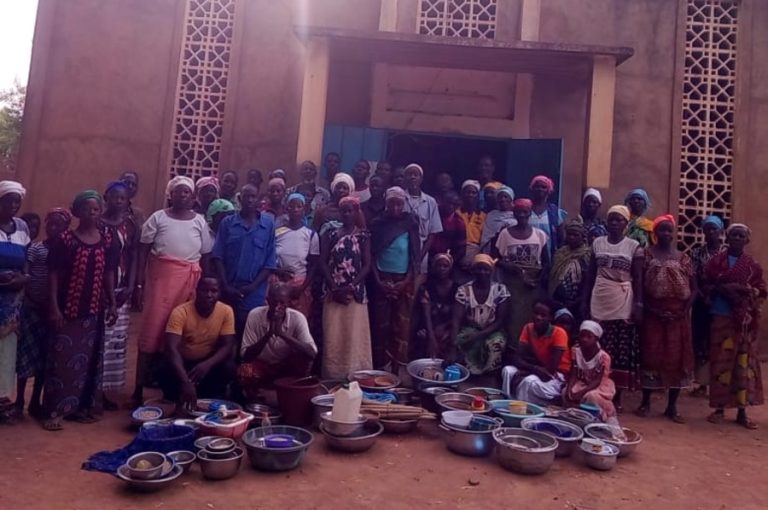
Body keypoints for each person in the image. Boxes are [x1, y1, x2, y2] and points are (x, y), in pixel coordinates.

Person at [132, 176, 213, 406]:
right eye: (179, 192)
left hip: (189, 284)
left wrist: (204, 285)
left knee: (180, 334)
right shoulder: (158, 218)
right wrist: (139, 284)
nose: (183, 196)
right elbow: (143, 252)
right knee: (151, 334)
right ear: (171, 195)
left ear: (192, 197)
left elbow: (205, 256)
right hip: (161, 284)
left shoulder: (199, 221)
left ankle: (173, 387)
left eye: (187, 192)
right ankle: (138, 390)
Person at [40, 190, 118, 431]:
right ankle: (54, 412)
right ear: (76, 211)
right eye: (86, 209)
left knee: (89, 362)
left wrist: (112, 301)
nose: (91, 213)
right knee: (62, 362)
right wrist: (54, 307)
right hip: (67, 310)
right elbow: (53, 275)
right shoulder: (66, 240)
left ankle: (83, 409)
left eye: (95, 209)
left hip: (93, 311)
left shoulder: (107, 239)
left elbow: (108, 272)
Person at [703, 223, 765, 429]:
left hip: (744, 321)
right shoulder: (716, 262)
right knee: (721, 363)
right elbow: (706, 285)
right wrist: (723, 290)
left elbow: (762, 290)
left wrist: (743, 291)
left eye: (741, 236)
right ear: (727, 238)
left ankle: (742, 411)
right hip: (721, 317)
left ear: (746, 240)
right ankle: (719, 408)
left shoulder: (753, 265)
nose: (737, 238)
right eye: (733, 235)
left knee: (743, 365)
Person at [636, 215, 695, 423]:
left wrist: (684, 311)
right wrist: (648, 309)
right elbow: (640, 286)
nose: (666, 234)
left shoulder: (683, 257)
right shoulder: (646, 254)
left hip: (678, 315)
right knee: (651, 355)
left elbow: (694, 289)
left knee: (677, 358)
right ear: (655, 232)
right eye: (662, 230)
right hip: (654, 313)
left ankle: (672, 406)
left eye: (670, 230)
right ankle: (646, 402)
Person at [584, 205, 643, 411]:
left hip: (622, 299)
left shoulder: (634, 247)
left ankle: (616, 397)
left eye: (619, 220)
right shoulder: (597, 243)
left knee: (619, 349)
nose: (615, 223)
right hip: (600, 297)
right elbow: (590, 275)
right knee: (599, 346)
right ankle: (595, 390)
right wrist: (585, 301)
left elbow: (638, 279)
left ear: (626, 224)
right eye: (612, 220)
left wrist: (638, 304)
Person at [15, 208, 71, 419]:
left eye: (60, 225)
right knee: (26, 356)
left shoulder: (66, 251)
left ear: (66, 228)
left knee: (44, 359)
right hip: (32, 308)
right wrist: (29, 299)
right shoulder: (36, 249)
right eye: (51, 224)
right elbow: (26, 274)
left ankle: (35, 401)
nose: (54, 228)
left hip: (51, 311)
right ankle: (19, 399)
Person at [213, 183, 277, 337]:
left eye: (253, 196)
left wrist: (252, 287)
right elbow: (218, 256)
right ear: (240, 199)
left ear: (258, 199)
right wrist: (226, 285)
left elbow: (269, 263)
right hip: (229, 289)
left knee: (249, 333)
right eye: (246, 196)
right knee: (225, 332)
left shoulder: (268, 225)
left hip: (254, 292)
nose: (249, 200)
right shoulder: (227, 223)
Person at [161, 276, 235, 406]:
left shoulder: (226, 311)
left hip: (207, 363)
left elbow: (227, 345)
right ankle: (178, 396)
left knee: (228, 367)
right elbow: (171, 348)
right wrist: (185, 381)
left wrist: (207, 364)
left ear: (219, 293)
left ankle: (208, 396)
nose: (209, 295)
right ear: (196, 291)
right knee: (164, 368)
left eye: (214, 291)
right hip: (183, 364)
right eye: (204, 290)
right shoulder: (180, 312)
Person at [320, 196, 372, 378]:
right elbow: (323, 262)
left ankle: (355, 376)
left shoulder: (363, 236)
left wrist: (350, 286)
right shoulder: (331, 234)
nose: (347, 214)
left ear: (356, 212)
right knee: (335, 336)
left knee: (353, 336)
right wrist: (335, 288)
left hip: (355, 294)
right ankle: (333, 376)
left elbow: (367, 265)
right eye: (344, 211)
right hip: (333, 294)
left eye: (351, 210)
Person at [238, 283, 317, 401]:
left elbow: (312, 353)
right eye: (274, 302)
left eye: (282, 303)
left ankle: (290, 395)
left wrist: (282, 334)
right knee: (245, 371)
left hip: (286, 366)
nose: (277, 307)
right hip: (262, 365)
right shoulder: (255, 315)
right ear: (267, 301)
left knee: (304, 359)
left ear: (289, 303)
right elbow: (246, 355)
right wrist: (268, 335)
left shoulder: (298, 318)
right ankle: (255, 400)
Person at [370, 186, 419, 370]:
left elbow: (415, 256)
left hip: (403, 280)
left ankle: (398, 369)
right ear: (386, 204)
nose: (396, 208)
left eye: (399, 204)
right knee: (381, 326)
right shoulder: (377, 224)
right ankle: (380, 367)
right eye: (392, 204)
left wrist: (405, 282)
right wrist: (380, 282)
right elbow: (371, 256)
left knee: (401, 326)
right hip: (382, 279)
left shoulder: (410, 223)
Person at [100, 181, 139, 410]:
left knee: (115, 342)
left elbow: (134, 257)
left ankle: (105, 392)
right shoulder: (97, 224)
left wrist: (131, 287)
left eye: (122, 198)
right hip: (98, 292)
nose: (118, 201)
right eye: (114, 197)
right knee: (97, 341)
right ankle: (91, 390)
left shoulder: (130, 226)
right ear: (106, 197)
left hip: (122, 290)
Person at [492, 198, 549, 349]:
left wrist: (538, 282)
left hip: (532, 285)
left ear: (530, 213)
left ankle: (528, 351)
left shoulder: (540, 235)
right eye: (519, 212)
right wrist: (510, 267)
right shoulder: (505, 234)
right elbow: (495, 258)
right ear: (514, 213)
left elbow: (546, 262)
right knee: (511, 317)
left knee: (530, 318)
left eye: (525, 212)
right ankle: (511, 351)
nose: (522, 215)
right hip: (512, 283)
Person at [502, 299, 571, 404]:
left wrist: (528, 370)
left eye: (543, 315)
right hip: (538, 368)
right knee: (508, 371)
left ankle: (522, 409)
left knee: (528, 381)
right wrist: (534, 368)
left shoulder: (559, 333)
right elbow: (517, 358)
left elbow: (550, 371)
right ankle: (506, 401)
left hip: (558, 376)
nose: (538, 317)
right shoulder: (528, 328)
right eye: (536, 313)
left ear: (551, 318)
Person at [0, 182, 30, 424]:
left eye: (16, 202)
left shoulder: (21, 227)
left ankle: (2, 402)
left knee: (7, 351)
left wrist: (22, 279)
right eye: (8, 200)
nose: (12, 205)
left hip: (13, 300)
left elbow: (26, 261)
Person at [453, 254, 510, 375]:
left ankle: (489, 375)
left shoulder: (500, 290)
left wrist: (480, 335)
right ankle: (469, 374)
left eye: (486, 269)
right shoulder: (464, 290)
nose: (482, 272)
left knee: (496, 344)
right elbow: (456, 320)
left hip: (493, 330)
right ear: (473, 271)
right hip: (470, 329)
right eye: (479, 269)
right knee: (462, 341)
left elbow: (500, 320)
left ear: (491, 271)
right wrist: (453, 345)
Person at [690, 215, 725, 396]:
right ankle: (703, 384)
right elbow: (693, 277)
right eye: (707, 229)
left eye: (714, 229)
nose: (710, 232)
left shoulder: (726, 253)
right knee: (701, 341)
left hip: (722, 302)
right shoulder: (697, 253)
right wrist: (701, 294)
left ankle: (717, 384)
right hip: (702, 302)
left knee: (717, 342)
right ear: (703, 232)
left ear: (720, 232)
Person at [562, 320, 618, 425]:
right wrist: (570, 389)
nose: (584, 339)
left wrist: (580, 393)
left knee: (591, 396)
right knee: (566, 392)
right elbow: (573, 373)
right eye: (582, 336)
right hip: (583, 382)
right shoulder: (576, 350)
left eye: (589, 336)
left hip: (598, 386)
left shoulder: (603, 357)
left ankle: (600, 420)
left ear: (596, 338)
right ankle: (574, 419)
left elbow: (597, 381)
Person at [273, 193, 320, 318]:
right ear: (286, 209)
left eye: (299, 206)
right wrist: (278, 271)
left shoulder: (310, 235)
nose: (295, 209)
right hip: (278, 283)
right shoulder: (277, 232)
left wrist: (302, 288)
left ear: (304, 209)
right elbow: (269, 258)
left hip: (300, 285)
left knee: (298, 319)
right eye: (291, 206)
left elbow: (314, 265)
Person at [411, 253, 458, 360]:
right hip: (429, 328)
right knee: (422, 337)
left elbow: (457, 317)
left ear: (450, 268)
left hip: (448, 328)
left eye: (445, 266)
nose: (442, 269)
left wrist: (445, 328)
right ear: (434, 268)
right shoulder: (426, 287)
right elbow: (426, 315)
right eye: (439, 266)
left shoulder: (457, 289)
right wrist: (431, 338)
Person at [403, 163, 443, 279]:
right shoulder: (399, 198)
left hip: (421, 249)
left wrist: (419, 256)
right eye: (409, 175)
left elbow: (432, 233)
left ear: (421, 179)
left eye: (416, 175)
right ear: (405, 178)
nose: (412, 177)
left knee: (416, 285)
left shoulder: (431, 202)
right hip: (401, 248)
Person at [549, 218, 591, 318]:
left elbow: (588, 279)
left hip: (577, 300)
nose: (571, 237)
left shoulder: (587, 255)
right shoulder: (560, 253)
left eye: (575, 235)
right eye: (569, 234)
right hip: (557, 299)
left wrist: (581, 300)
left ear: (582, 237)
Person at [529, 175, 566, 259]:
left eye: (543, 187)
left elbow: (561, 238)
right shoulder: (525, 209)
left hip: (550, 258)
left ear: (549, 190)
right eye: (537, 186)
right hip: (527, 258)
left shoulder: (555, 212)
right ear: (532, 189)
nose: (540, 189)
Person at [429, 190, 466, 267]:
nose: (451, 206)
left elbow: (461, 249)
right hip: (427, 256)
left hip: (447, 261)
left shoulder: (459, 221)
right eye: (449, 202)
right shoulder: (430, 215)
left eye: (455, 204)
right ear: (442, 201)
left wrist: (449, 263)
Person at [457, 180, 486, 267]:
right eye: (468, 192)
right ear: (462, 194)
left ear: (478, 196)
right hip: (458, 250)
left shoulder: (484, 216)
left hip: (476, 251)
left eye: (474, 193)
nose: (471, 195)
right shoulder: (455, 213)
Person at [480, 185, 516, 251]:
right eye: (500, 197)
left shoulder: (517, 215)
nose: (503, 199)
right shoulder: (491, 215)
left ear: (511, 199)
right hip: (493, 250)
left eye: (505, 197)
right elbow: (486, 238)